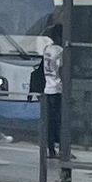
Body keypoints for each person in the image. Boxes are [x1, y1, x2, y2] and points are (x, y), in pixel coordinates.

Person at [31, 19, 65, 167]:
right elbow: (62, 69)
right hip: (58, 88)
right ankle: (61, 149)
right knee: (58, 121)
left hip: (47, 87)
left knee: (49, 120)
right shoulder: (61, 51)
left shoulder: (47, 50)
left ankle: (50, 148)